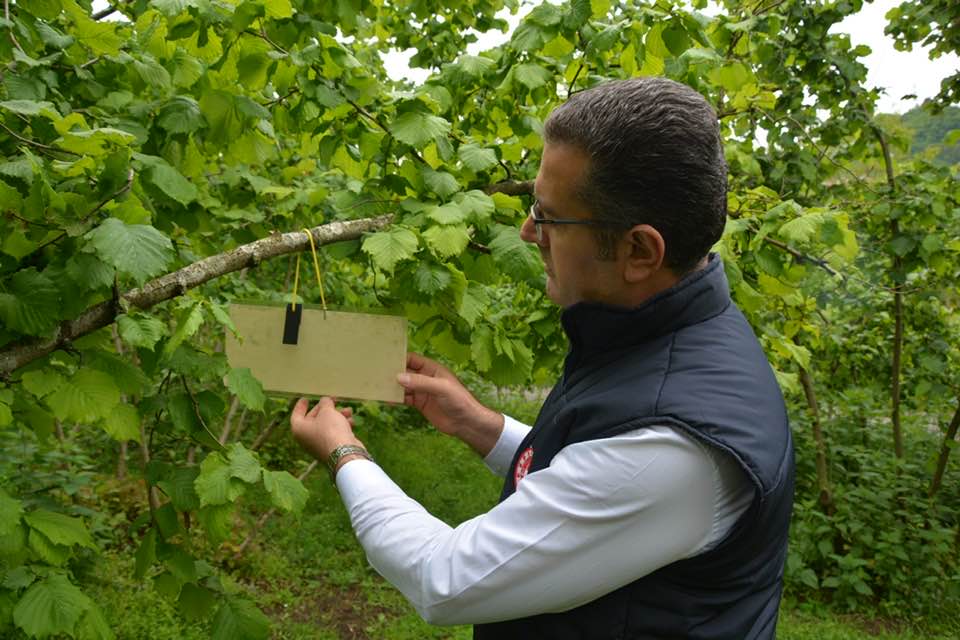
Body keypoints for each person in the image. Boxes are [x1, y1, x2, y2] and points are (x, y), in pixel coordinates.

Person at [290, 76, 794, 639]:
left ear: (639, 250)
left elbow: (446, 579)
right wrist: (482, 427)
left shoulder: (677, 449)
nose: (528, 231)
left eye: (550, 217)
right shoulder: (672, 334)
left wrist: (343, 451)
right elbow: (590, 478)